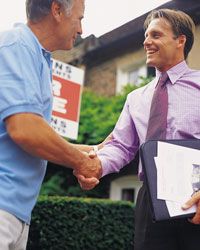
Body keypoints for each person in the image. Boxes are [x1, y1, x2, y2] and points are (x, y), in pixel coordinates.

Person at [75, 8, 200, 250]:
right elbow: (121, 147)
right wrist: (95, 166)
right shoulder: (136, 98)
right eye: (145, 36)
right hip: (150, 199)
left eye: (155, 35)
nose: (146, 42)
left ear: (180, 40)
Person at [0, 0, 102, 249]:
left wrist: (91, 151)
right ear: (57, 10)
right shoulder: (16, 45)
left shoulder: (38, 57)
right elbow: (26, 128)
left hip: (16, 212)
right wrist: (80, 162)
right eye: (79, 18)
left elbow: (37, 131)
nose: (80, 29)